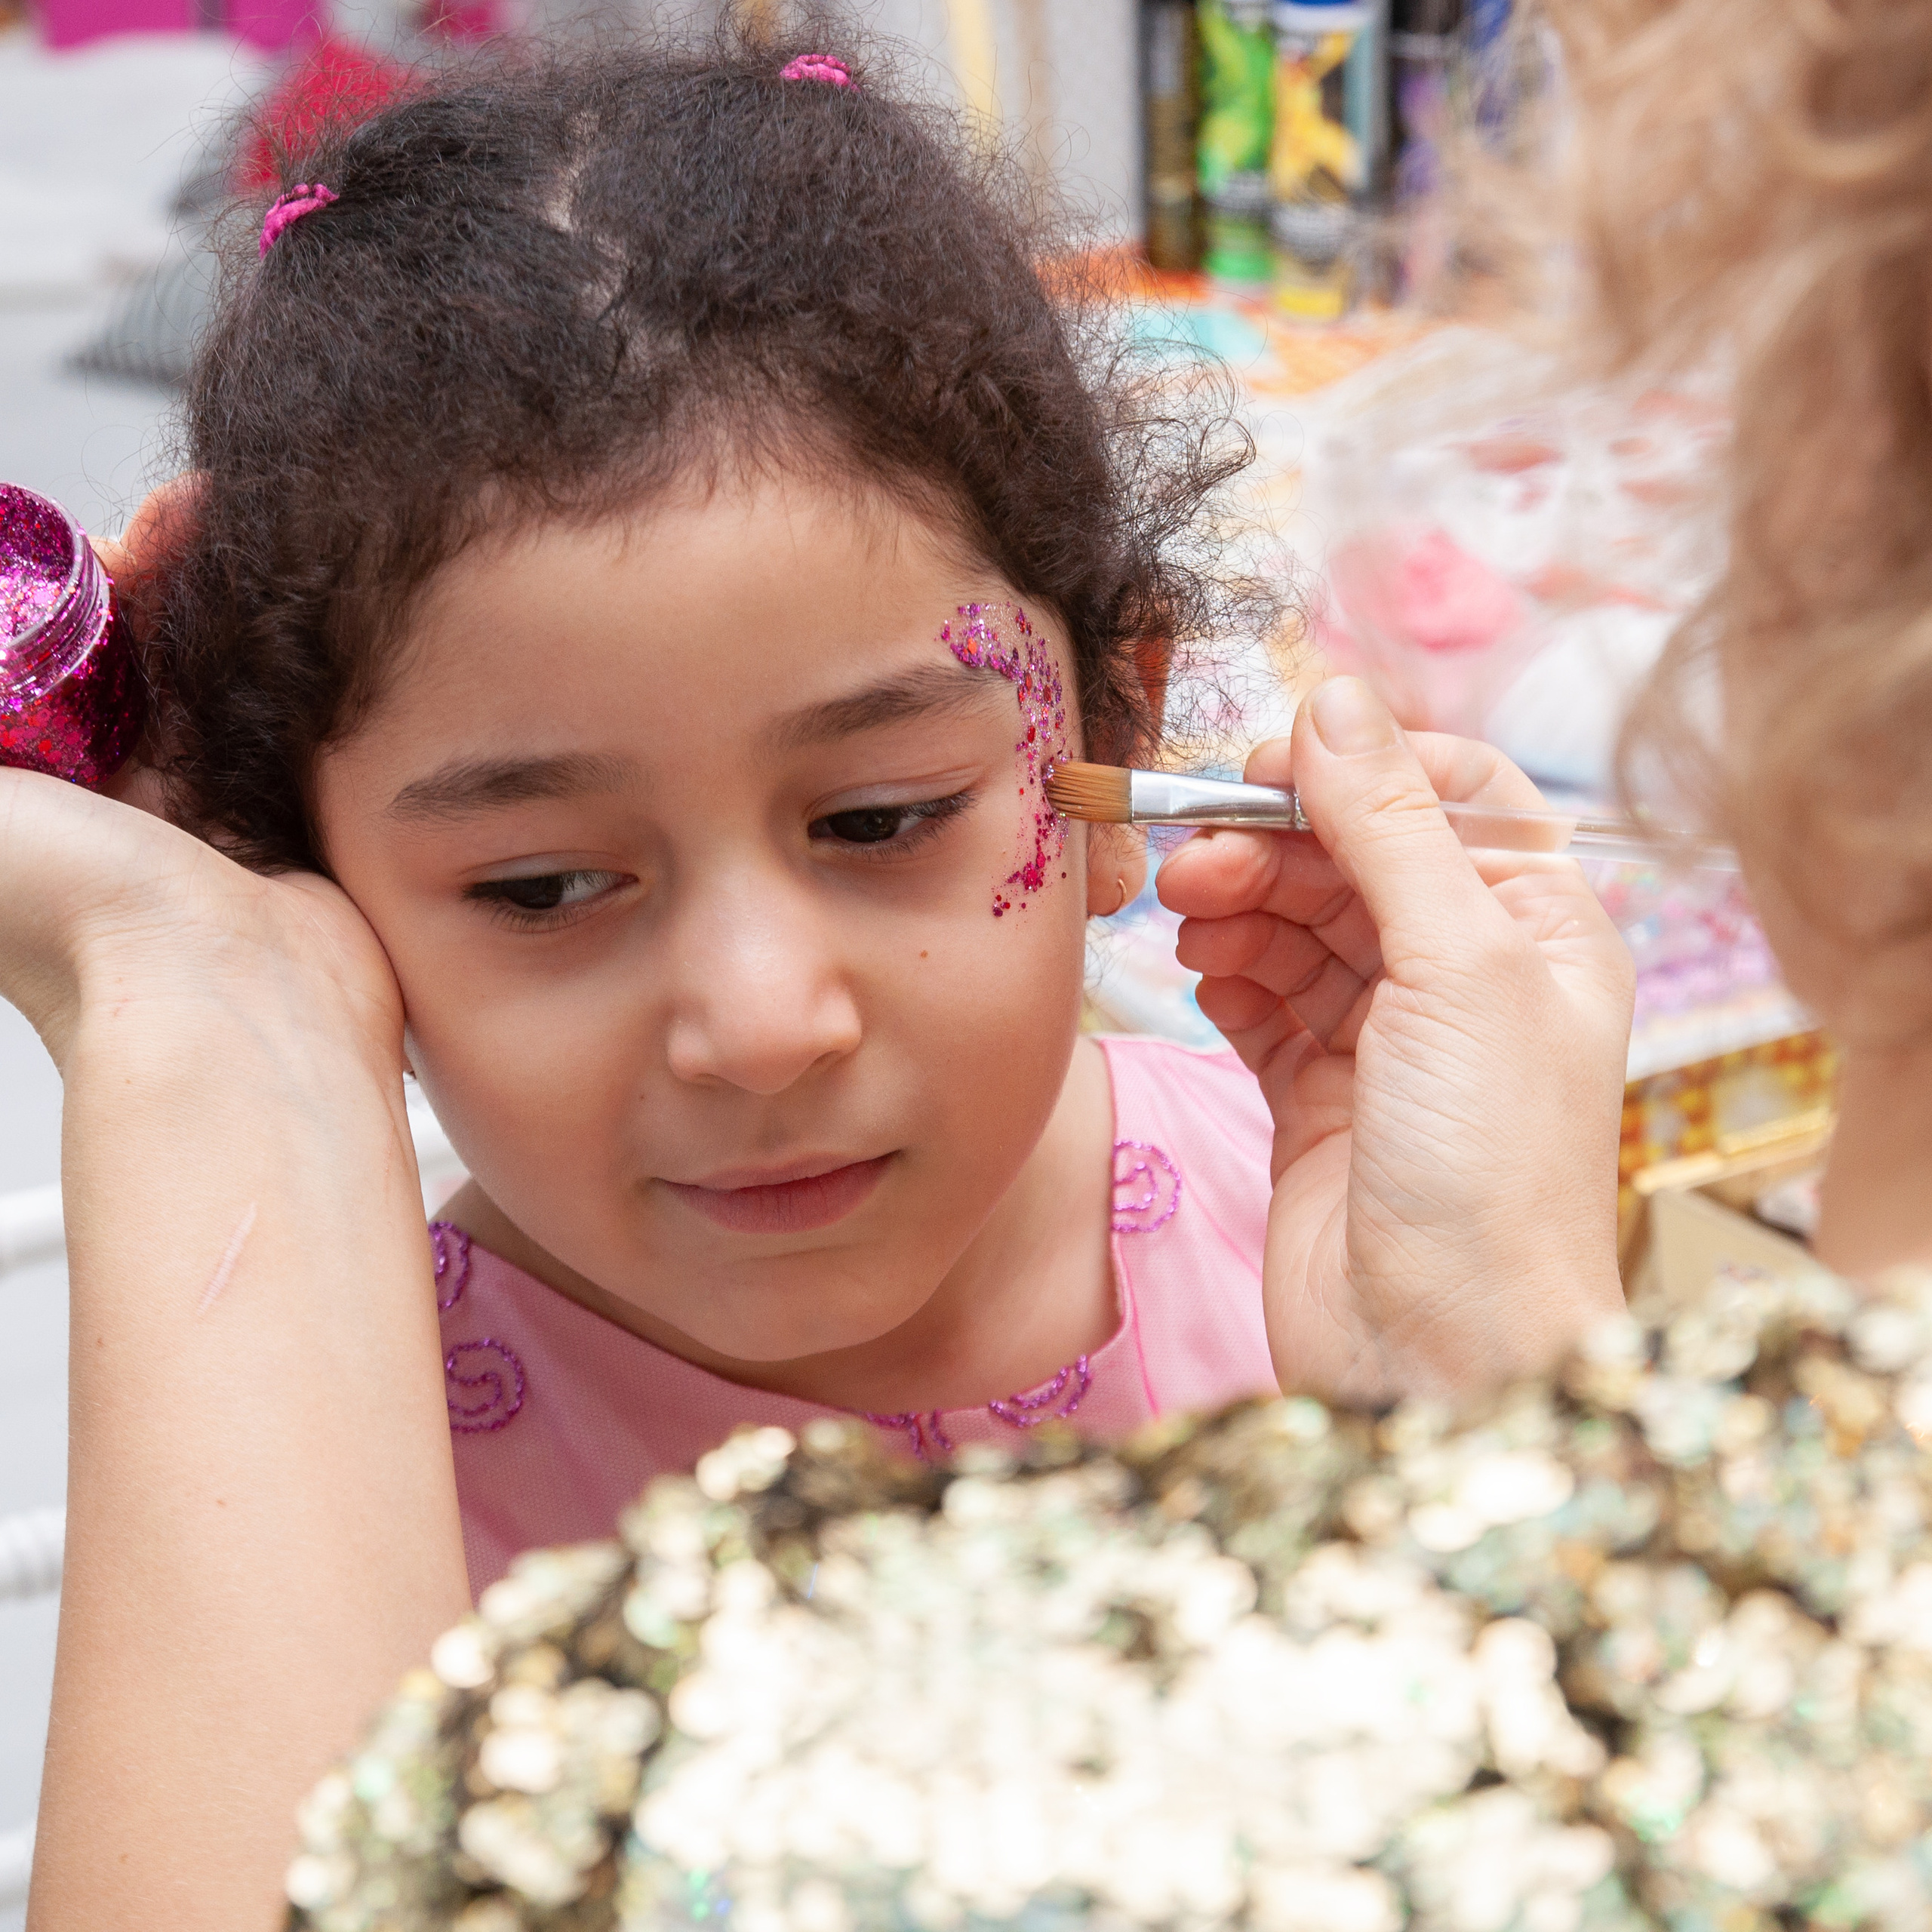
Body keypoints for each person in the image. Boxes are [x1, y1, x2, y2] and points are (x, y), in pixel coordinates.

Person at [2, 23, 1632, 1928]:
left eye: (874, 820)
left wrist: (1501, 1375)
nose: (764, 1019)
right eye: (539, 883)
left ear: (1107, 736)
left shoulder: (1371, 1238)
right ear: (304, 860)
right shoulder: (318, 1498)